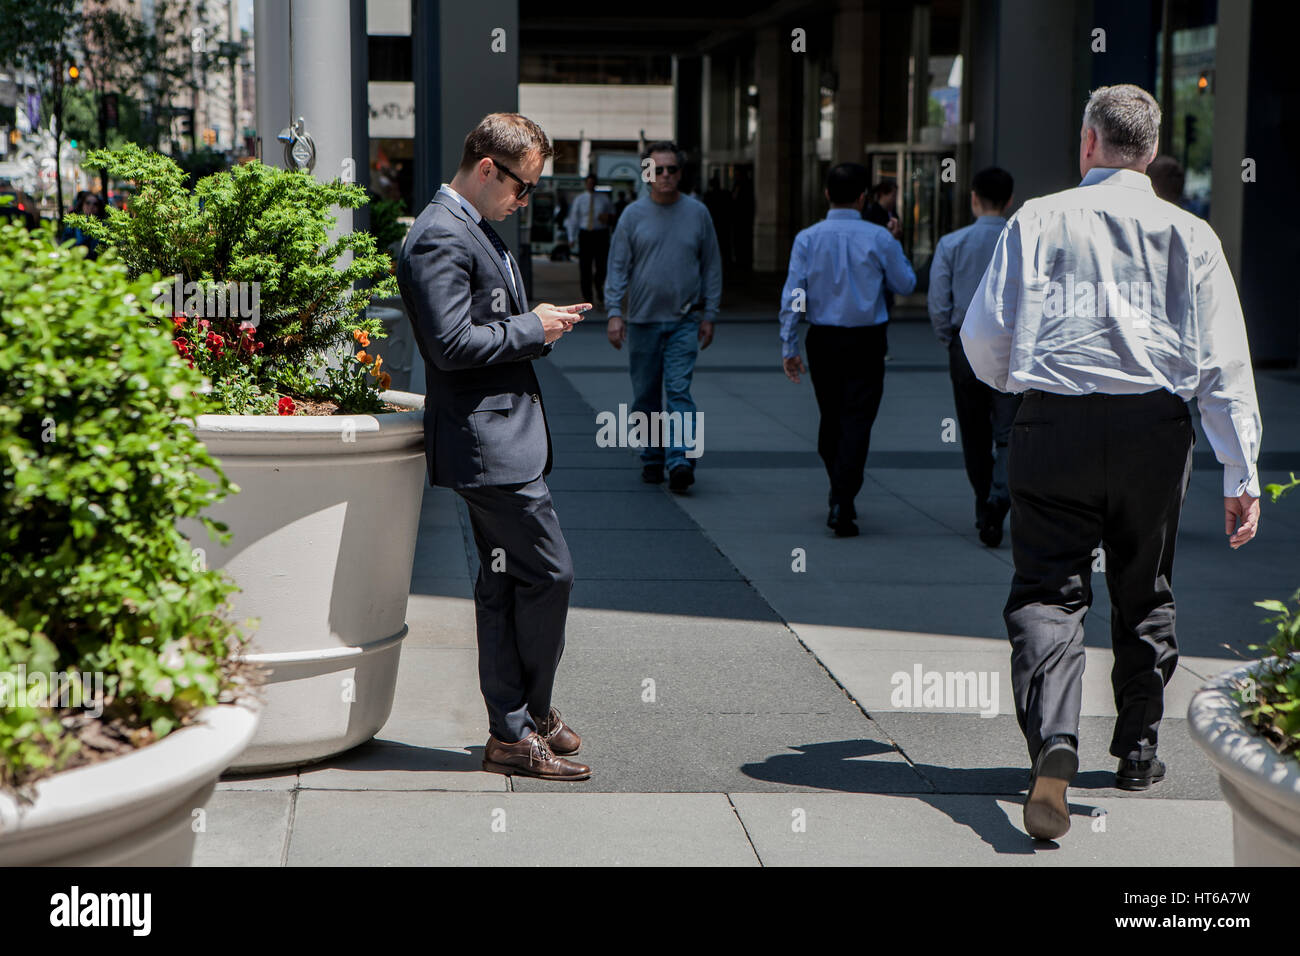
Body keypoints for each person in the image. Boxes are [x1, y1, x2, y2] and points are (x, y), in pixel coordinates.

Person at [961, 84, 1262, 841]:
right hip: (1152, 431)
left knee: (1047, 592)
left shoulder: (1037, 217)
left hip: (1050, 426)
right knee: (1144, 585)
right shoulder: (1190, 234)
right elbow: (1223, 361)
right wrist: (1240, 468)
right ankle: (1137, 747)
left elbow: (984, 335)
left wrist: (1017, 386)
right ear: (1153, 152)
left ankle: (1054, 740)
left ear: (1089, 143)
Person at [397, 112, 593, 782]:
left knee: (506, 580)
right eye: (522, 186)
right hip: (487, 442)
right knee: (550, 572)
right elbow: (450, 347)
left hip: (500, 434)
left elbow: (480, 325)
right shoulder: (438, 237)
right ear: (487, 168)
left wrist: (537, 323)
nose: (524, 200)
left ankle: (513, 729)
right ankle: (525, 715)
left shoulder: (470, 227)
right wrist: (533, 328)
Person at [779, 162, 916, 536]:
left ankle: (841, 491)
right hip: (867, 340)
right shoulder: (879, 238)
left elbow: (795, 295)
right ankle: (843, 495)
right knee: (858, 418)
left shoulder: (807, 238)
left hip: (823, 338)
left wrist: (788, 343)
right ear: (863, 197)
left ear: (826, 194)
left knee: (831, 416)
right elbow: (905, 284)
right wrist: (896, 242)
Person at [604, 140, 722, 493]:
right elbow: (617, 268)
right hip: (642, 321)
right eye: (658, 169)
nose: (665, 175)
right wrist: (614, 314)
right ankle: (652, 457)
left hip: (685, 320)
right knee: (645, 395)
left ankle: (680, 459)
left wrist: (710, 313)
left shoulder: (698, 213)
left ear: (680, 174)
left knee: (679, 391)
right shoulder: (632, 216)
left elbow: (711, 266)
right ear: (647, 174)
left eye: (672, 169)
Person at [928, 166, 1020, 547]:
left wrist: (948, 335)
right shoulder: (1021, 242)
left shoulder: (952, 243)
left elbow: (938, 302)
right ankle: (1000, 496)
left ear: (973, 197)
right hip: (1011, 347)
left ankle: (986, 501)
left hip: (965, 345)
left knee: (973, 431)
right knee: (1009, 432)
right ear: (1010, 200)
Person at [565, 172, 612, 306]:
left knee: (601, 265)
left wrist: (607, 217)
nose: (591, 185)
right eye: (588, 183)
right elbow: (574, 219)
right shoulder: (580, 199)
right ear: (586, 184)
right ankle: (587, 296)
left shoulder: (604, 199)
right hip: (585, 234)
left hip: (600, 234)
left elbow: (612, 215)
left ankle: (599, 288)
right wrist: (571, 237)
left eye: (593, 182)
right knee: (585, 266)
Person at [63, 191, 107, 259]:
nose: (91, 206)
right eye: (88, 203)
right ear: (82, 205)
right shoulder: (73, 225)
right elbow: (65, 245)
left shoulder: (103, 226)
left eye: (95, 204)